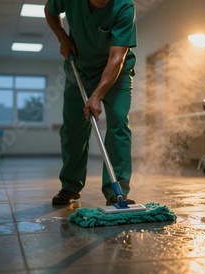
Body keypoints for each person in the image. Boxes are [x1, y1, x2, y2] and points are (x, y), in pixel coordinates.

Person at [45, 0, 137, 205]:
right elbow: (49, 11)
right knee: (73, 129)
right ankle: (70, 186)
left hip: (116, 73)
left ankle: (117, 191)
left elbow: (117, 57)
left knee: (119, 124)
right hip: (80, 68)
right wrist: (63, 38)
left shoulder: (124, 6)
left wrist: (97, 95)